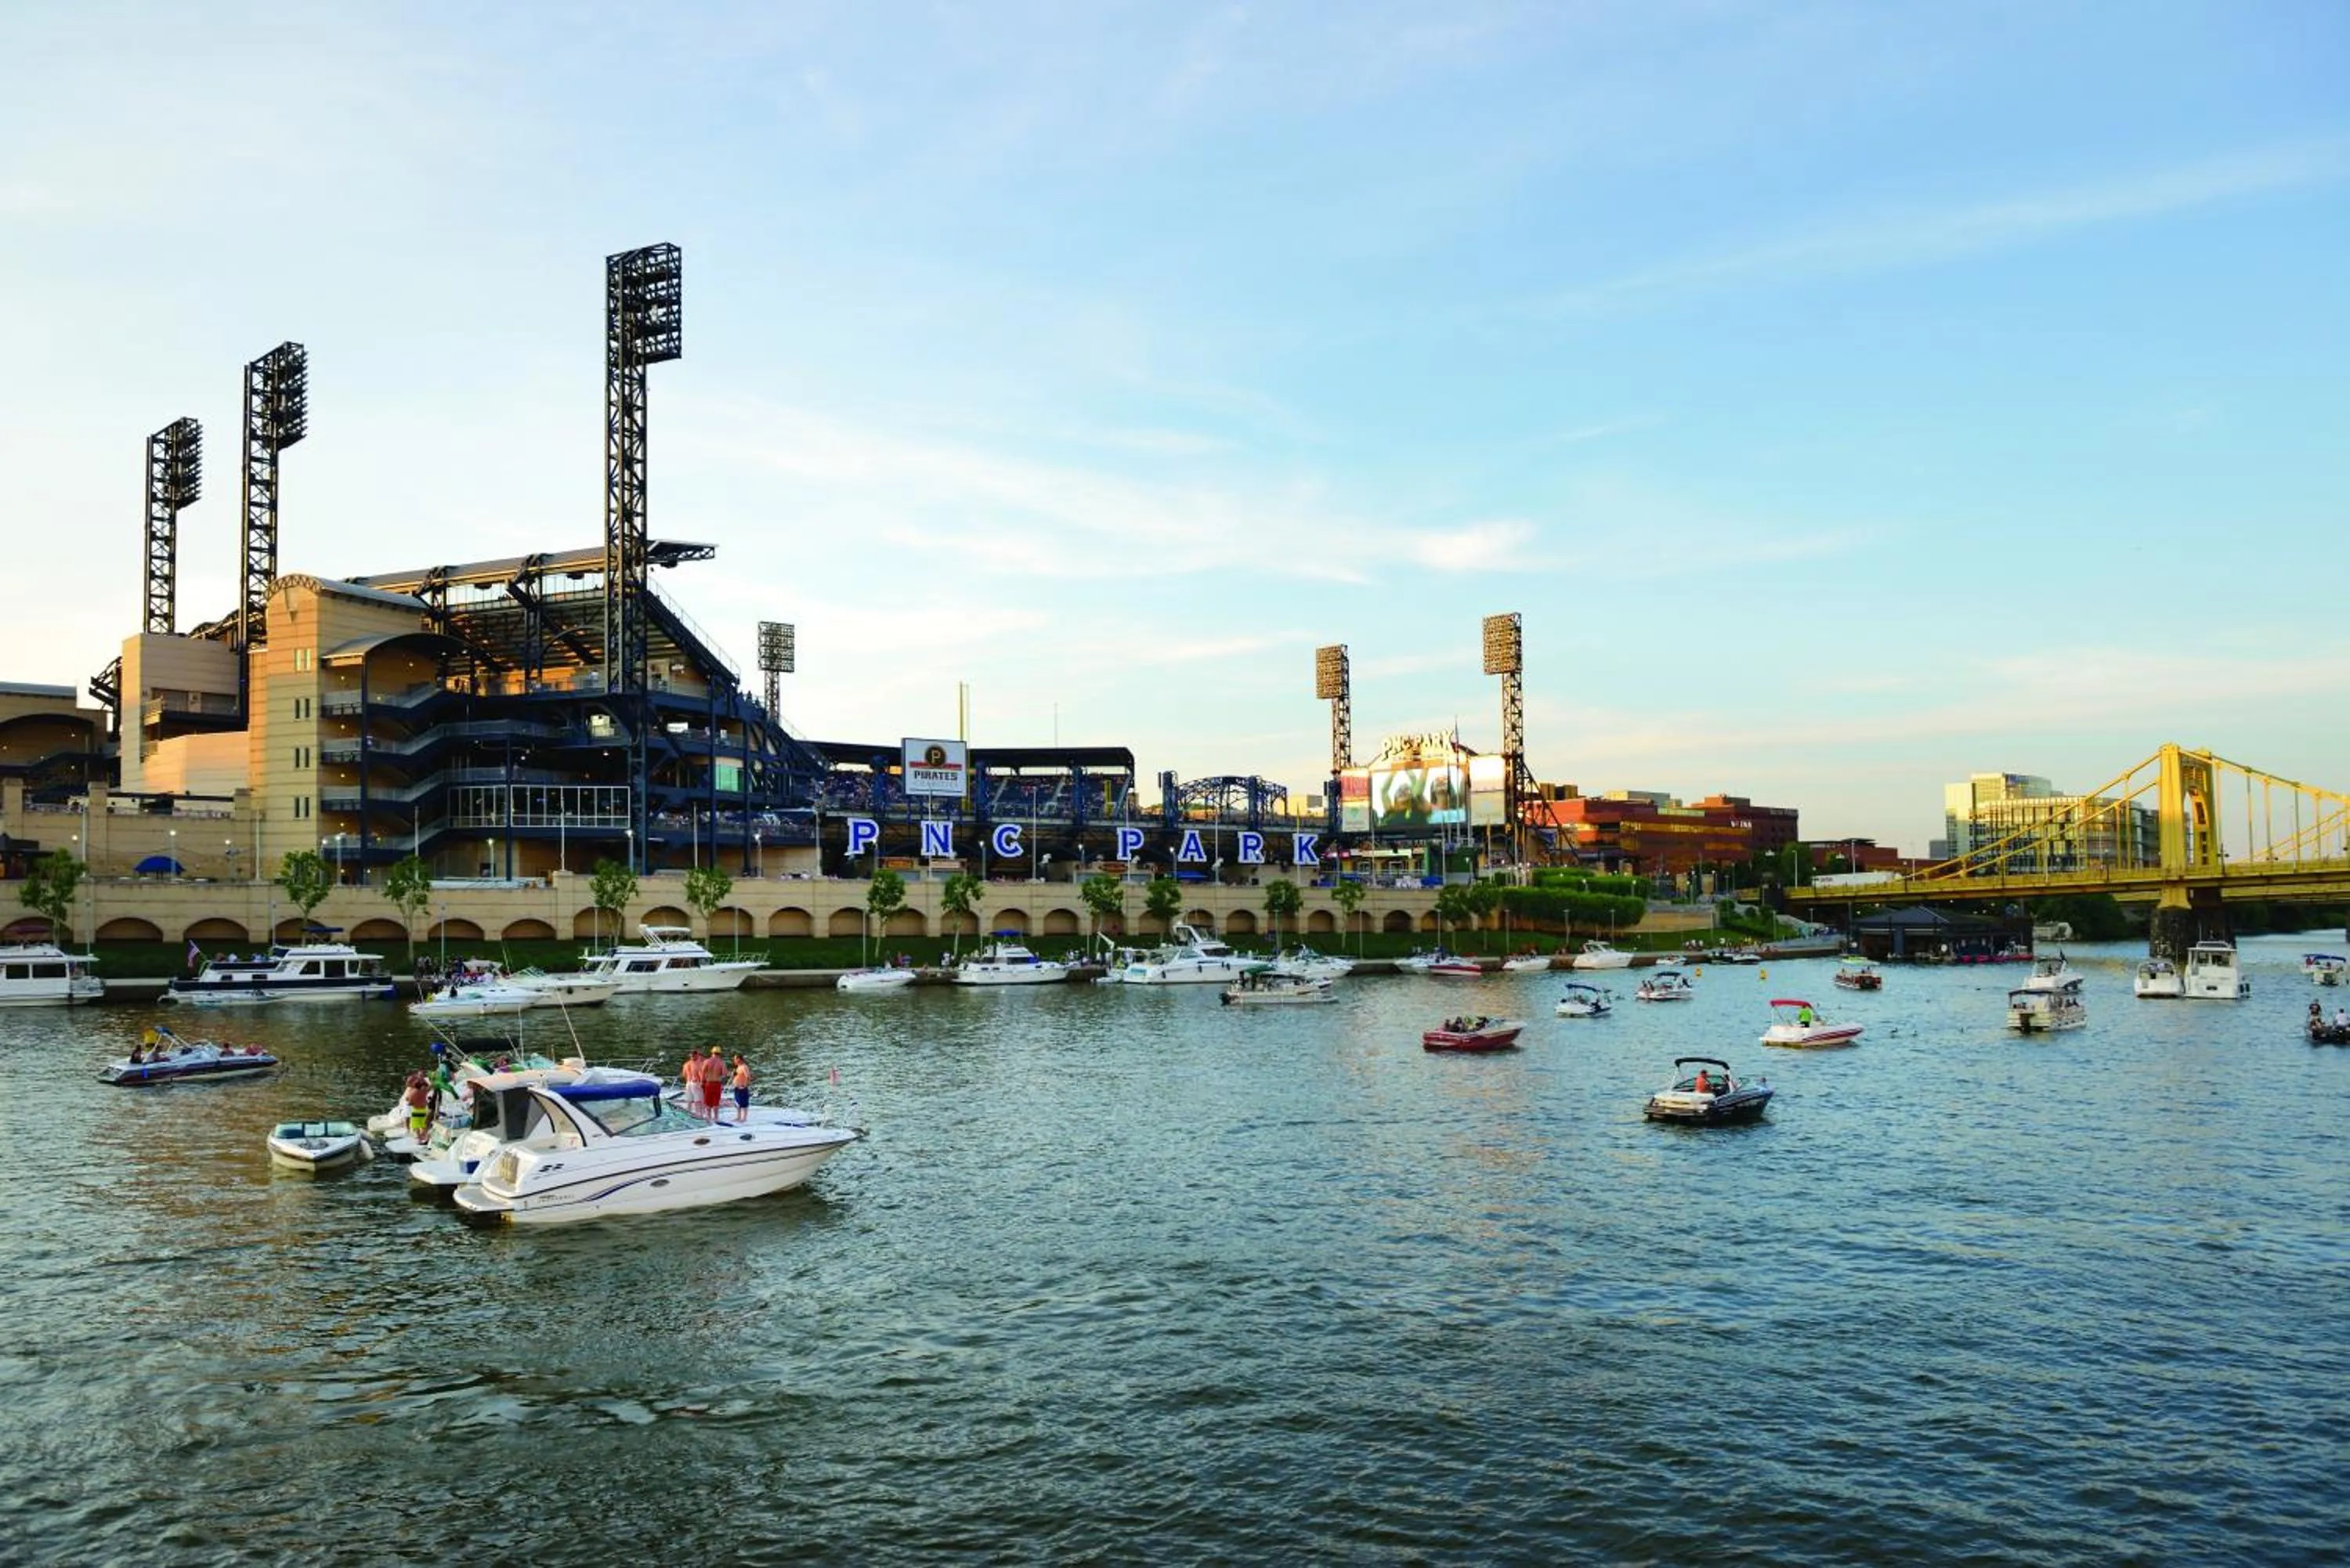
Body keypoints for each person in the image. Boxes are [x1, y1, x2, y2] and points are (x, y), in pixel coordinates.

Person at [403, 1072, 432, 1145]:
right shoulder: (424, 1091)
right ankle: (426, 1138)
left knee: (416, 1126)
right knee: (423, 1125)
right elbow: (430, 1087)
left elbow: (410, 1103)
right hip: (424, 1110)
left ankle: (419, 1139)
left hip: (416, 1110)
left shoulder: (412, 1093)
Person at [703, 1046, 727, 1122]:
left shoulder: (707, 1061)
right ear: (719, 1053)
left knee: (708, 1101)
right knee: (716, 1101)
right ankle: (716, 1117)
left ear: (712, 1053)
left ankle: (708, 1117)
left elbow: (703, 1073)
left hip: (708, 1083)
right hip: (717, 1083)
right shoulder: (721, 1062)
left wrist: (702, 1082)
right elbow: (724, 1074)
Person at [682, 1049, 705, 1118]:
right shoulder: (699, 1064)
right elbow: (701, 1075)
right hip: (695, 1083)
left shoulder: (686, 1064)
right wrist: (702, 1083)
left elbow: (684, 1075)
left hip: (688, 1083)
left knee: (689, 1101)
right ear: (696, 1055)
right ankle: (699, 1115)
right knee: (699, 1100)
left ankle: (688, 1114)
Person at [731, 1054, 752, 1123]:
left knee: (744, 1103)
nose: (734, 1061)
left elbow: (748, 1077)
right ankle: (738, 1117)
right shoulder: (738, 1067)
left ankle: (744, 1118)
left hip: (742, 1088)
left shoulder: (744, 1067)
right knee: (737, 1103)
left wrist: (745, 1085)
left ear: (739, 1059)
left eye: (735, 1059)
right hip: (737, 1088)